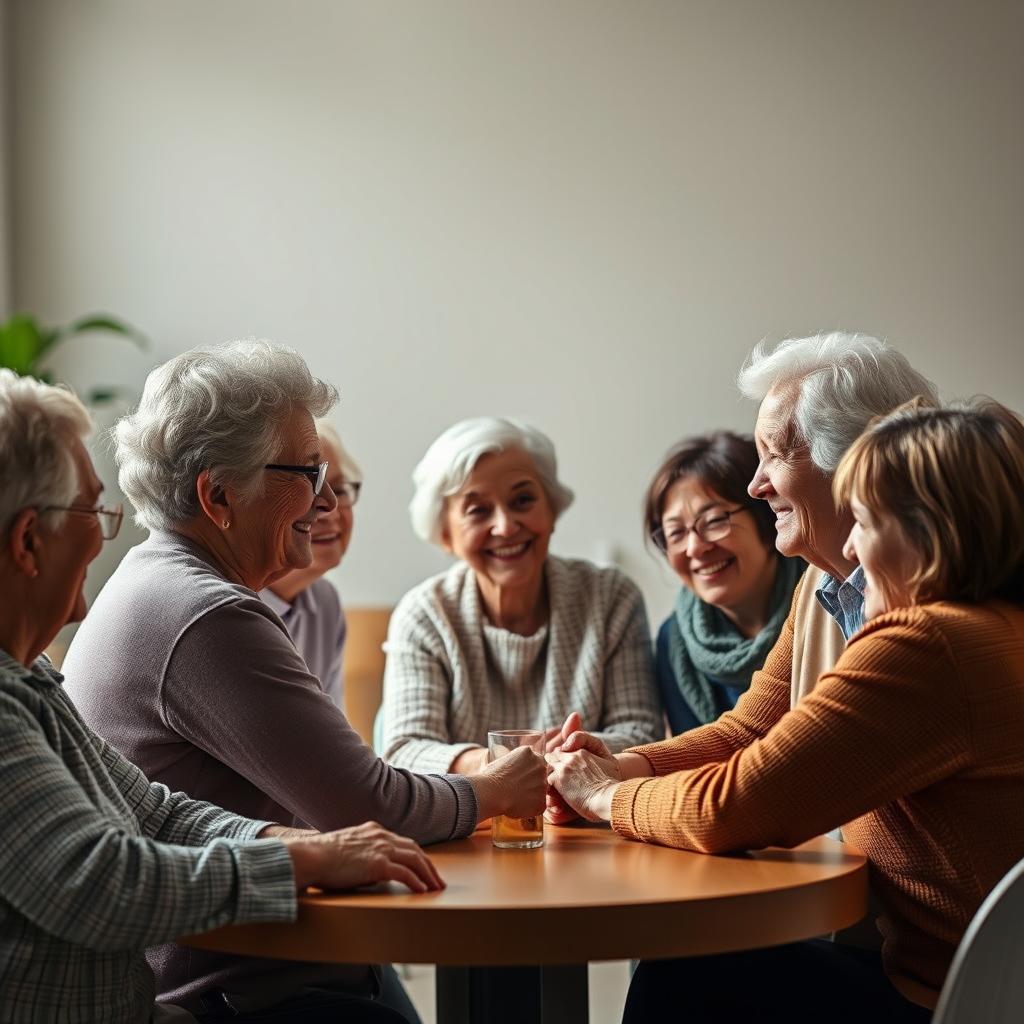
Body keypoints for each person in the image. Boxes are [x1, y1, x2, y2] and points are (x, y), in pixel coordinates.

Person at [61, 343, 545, 1019]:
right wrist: (494, 788)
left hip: (260, 958)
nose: (324, 500)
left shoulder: (159, 580)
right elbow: (368, 804)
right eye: (306, 472)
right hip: (237, 991)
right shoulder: (207, 614)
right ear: (219, 495)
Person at [546, 398, 1024, 1022]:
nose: (850, 545)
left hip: (951, 1003)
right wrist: (623, 767)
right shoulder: (996, 627)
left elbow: (733, 805)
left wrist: (603, 798)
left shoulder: (926, 645)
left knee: (688, 967)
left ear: (928, 530)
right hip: (980, 989)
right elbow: (751, 730)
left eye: (865, 521)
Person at [0, 369, 444, 1024]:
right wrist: (293, 860)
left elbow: (153, 812)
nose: (105, 534)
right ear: (29, 542)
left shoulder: (31, 678)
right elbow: (98, 882)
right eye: (91, 511)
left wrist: (293, 846)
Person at [378, 416, 662, 776]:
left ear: (552, 509)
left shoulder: (610, 598)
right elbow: (404, 750)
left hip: (590, 818)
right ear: (445, 533)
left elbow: (643, 736)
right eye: (478, 510)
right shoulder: (424, 614)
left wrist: (569, 750)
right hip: (470, 826)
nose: (506, 526)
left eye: (523, 500)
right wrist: (506, 761)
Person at [736, 331, 939, 708]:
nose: (755, 486)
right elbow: (748, 728)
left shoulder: (932, 599)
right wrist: (616, 762)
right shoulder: (820, 582)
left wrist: (602, 770)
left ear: (856, 461)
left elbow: (778, 761)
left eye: (776, 455)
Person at [644, 431, 804, 734]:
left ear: (766, 517)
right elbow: (687, 764)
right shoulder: (675, 640)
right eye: (675, 533)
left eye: (715, 520)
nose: (695, 548)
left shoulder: (826, 597)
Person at [259, 420, 361, 707]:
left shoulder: (324, 603)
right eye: (308, 486)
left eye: (339, 490)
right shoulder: (228, 605)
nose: (330, 509)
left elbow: (333, 734)